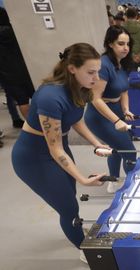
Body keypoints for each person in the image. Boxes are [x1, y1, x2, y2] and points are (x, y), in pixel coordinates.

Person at [11, 43, 109, 262]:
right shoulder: (50, 97)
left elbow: (74, 120)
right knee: (68, 206)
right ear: (72, 68)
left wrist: (96, 143)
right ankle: (85, 250)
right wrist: (83, 178)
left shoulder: (80, 88)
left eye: (98, 71)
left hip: (58, 148)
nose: (96, 77)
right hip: (33, 157)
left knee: (68, 196)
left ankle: (71, 225)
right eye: (91, 72)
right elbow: (54, 148)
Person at [84, 26, 137, 193]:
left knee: (117, 148)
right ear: (110, 44)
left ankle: (113, 180)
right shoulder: (104, 65)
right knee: (129, 152)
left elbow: (124, 90)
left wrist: (126, 110)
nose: (126, 48)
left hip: (116, 110)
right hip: (100, 115)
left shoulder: (122, 63)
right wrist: (116, 120)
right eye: (121, 43)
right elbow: (95, 98)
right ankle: (132, 187)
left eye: (127, 44)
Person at [0, 7, 34, 122]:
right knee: (35, 96)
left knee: (21, 100)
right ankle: (44, 120)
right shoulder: (14, 30)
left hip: (7, 73)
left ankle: (32, 126)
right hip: (24, 68)